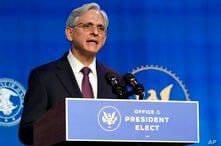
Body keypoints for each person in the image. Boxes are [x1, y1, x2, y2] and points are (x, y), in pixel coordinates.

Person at [18, 3, 126, 145]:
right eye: (87, 26)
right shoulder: (44, 77)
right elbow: (27, 132)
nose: (95, 32)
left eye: (101, 28)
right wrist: (62, 126)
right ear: (70, 33)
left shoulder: (115, 79)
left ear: (104, 38)